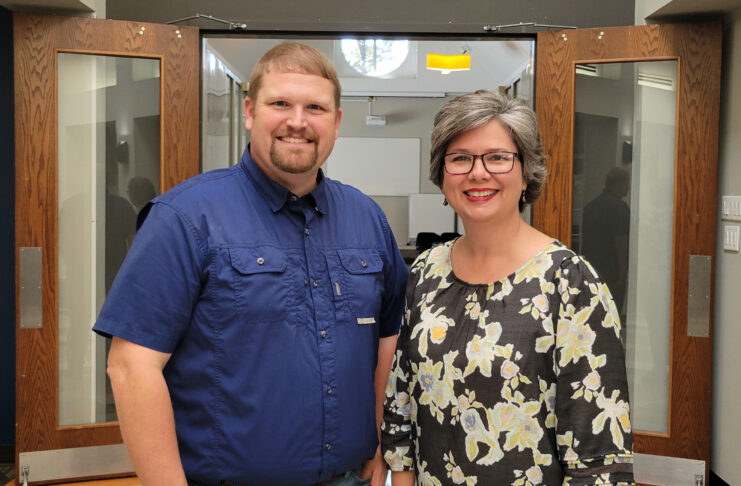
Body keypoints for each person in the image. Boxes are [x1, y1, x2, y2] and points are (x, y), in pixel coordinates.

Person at [94, 42, 408, 486]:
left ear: (336, 123)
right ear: (249, 111)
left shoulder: (367, 219)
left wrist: (377, 442)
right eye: (280, 103)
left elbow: (387, 341)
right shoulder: (186, 217)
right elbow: (131, 367)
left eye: (315, 107)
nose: (297, 121)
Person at [381, 90, 634, 485]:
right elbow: (402, 402)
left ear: (525, 171)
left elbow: (598, 455)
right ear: (442, 173)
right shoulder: (427, 272)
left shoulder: (569, 283)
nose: (477, 173)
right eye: (460, 158)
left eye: (497, 157)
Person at [581, 166, 631, 321]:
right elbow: (621, 241)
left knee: (594, 315)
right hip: (612, 269)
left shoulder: (590, 207)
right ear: (622, 183)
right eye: (628, 183)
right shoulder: (620, 208)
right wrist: (623, 272)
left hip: (591, 267)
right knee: (612, 315)